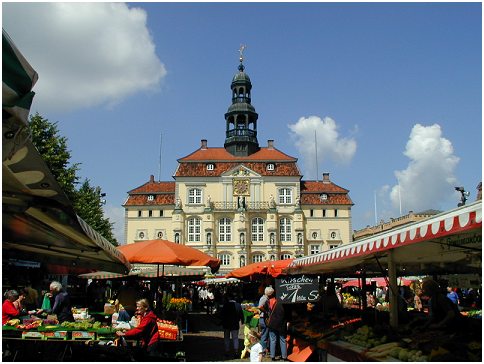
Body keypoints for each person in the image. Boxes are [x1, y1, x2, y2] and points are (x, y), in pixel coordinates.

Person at [221, 291, 244, 358]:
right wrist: (242, 321)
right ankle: (236, 352)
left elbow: (222, 314)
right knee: (235, 338)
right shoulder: (238, 305)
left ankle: (227, 352)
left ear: (228, 298)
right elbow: (241, 315)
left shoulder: (225, 305)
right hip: (235, 324)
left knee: (226, 338)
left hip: (226, 324)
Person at [266, 296, 288, 361]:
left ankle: (272, 356)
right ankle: (284, 357)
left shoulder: (273, 302)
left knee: (273, 340)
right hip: (281, 324)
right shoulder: (285, 305)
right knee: (282, 340)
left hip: (272, 324)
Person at [257, 286, 274, 356]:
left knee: (264, 335)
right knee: (264, 336)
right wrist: (266, 312)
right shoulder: (264, 299)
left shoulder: (263, 297)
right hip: (263, 319)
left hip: (262, 318)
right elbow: (260, 307)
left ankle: (264, 349)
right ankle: (262, 351)